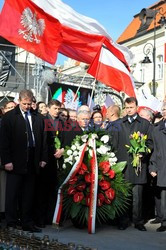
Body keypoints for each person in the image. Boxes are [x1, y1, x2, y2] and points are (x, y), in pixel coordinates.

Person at [0, 89, 47, 233]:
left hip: (32, 159)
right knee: (12, 193)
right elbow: (3, 141)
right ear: (19, 101)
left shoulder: (38, 117)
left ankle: (27, 222)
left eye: (29, 103)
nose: (27, 106)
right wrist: (7, 161)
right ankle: (11, 222)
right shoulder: (9, 117)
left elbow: (43, 139)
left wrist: (43, 158)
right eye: (24, 103)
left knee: (28, 193)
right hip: (15, 159)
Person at [112, 97, 152, 231]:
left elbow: (151, 143)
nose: (129, 110)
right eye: (127, 107)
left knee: (138, 196)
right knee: (123, 194)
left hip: (138, 166)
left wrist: (143, 152)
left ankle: (138, 221)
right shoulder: (119, 123)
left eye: (131, 107)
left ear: (136, 107)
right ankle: (123, 220)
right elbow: (114, 143)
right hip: (123, 165)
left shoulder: (145, 124)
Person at [35, 99, 62, 227]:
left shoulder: (62, 122)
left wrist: (62, 150)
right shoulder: (42, 120)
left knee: (53, 190)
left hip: (58, 159)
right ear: (49, 108)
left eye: (58, 109)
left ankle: (50, 217)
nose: (57, 111)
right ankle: (40, 218)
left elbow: (65, 139)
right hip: (45, 158)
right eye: (55, 108)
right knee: (42, 190)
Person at [149, 103, 166, 232]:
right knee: (164, 196)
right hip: (163, 167)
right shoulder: (157, 129)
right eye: (164, 109)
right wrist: (153, 167)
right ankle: (164, 222)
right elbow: (154, 150)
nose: (165, 111)